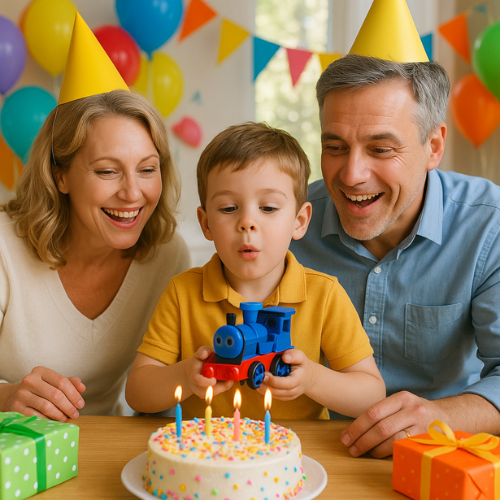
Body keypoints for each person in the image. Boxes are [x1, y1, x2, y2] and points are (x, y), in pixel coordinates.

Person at [290, 54, 500, 456]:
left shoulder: (489, 227)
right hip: (306, 457)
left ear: (433, 147)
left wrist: (441, 416)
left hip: (440, 454)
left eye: (381, 149)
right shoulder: (284, 223)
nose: (352, 175)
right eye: (335, 146)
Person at [0, 14, 190, 422]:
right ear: (60, 174)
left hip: (106, 450)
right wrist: (7, 397)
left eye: (147, 168)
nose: (132, 193)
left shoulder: (167, 256)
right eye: (107, 171)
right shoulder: (4, 248)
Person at [125, 122, 386, 420]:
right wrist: (186, 375)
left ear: (299, 221)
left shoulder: (324, 295)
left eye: (269, 208)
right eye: (228, 208)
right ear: (206, 223)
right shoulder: (182, 292)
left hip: (297, 456)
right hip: (210, 453)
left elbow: (372, 395)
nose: (247, 223)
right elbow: (137, 393)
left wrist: (313, 379)